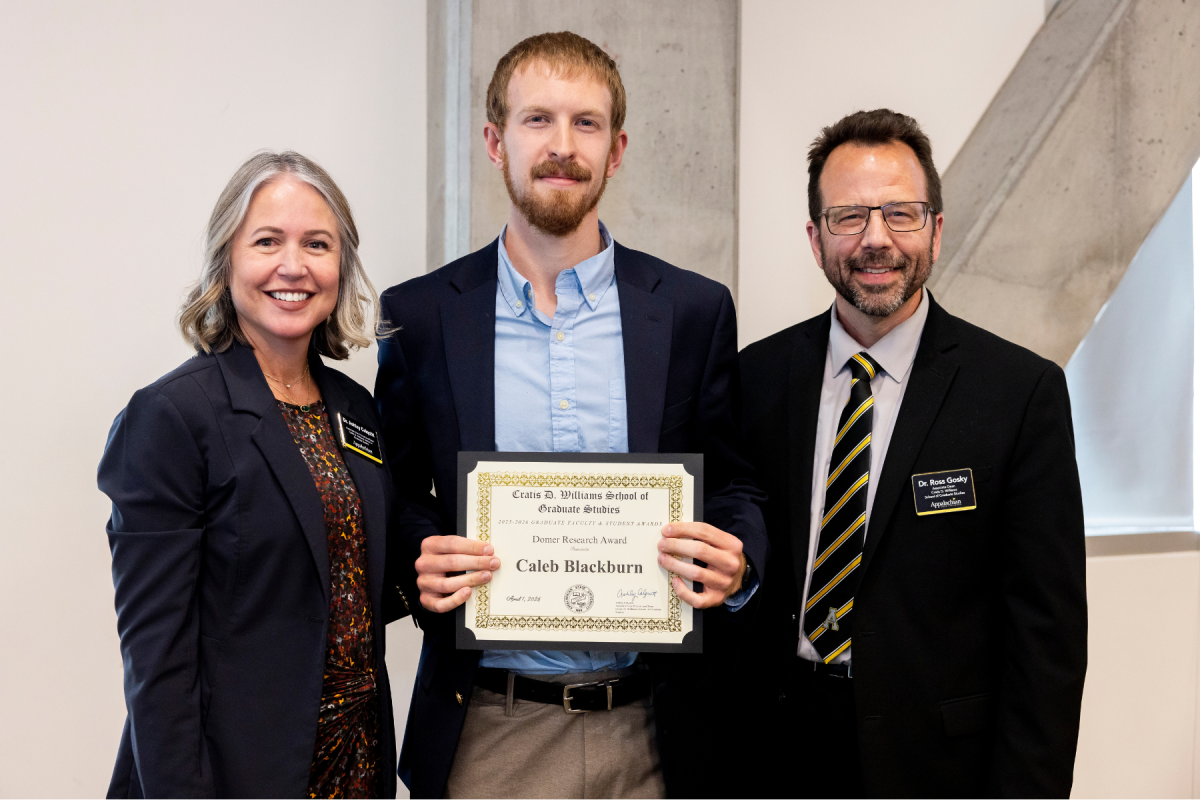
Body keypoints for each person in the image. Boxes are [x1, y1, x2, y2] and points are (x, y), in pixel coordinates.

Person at [375, 31, 767, 799]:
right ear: (495, 140)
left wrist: (738, 560)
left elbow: (736, 486)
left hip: (656, 730)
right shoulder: (421, 316)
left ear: (617, 150)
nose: (563, 146)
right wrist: (421, 553)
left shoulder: (692, 311)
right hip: (490, 729)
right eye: (537, 120)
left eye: (586, 124)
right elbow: (391, 492)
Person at [737, 109, 1088, 797]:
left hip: (939, 766)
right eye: (848, 217)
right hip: (776, 753)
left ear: (936, 228)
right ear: (815, 238)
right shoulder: (754, 381)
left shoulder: (1019, 393)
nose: (876, 240)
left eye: (900, 213)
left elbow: (1046, 643)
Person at [99, 151, 416, 798]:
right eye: (267, 241)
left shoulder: (355, 409)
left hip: (355, 768)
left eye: (317, 244)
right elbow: (157, 662)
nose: (293, 266)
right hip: (234, 775)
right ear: (227, 261)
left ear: (341, 267)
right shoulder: (171, 418)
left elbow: (345, 580)